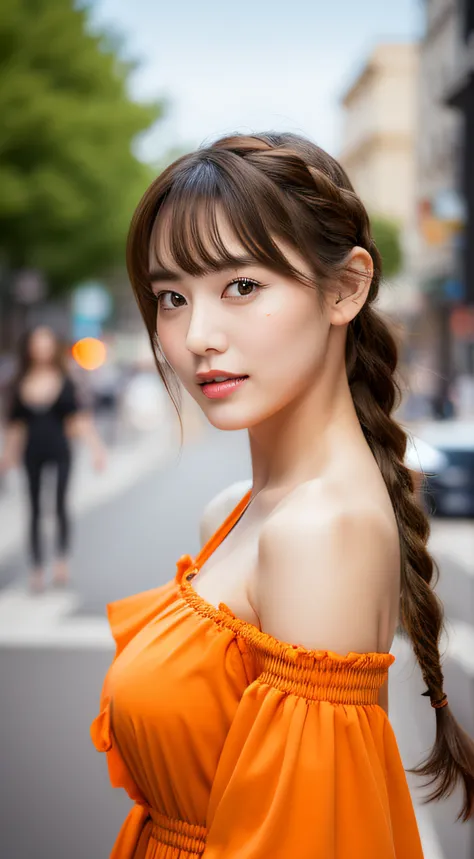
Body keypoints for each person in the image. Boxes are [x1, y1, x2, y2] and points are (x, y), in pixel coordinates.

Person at [90, 133, 474, 858]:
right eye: (171, 296)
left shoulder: (319, 532)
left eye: (242, 286)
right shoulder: (240, 508)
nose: (197, 335)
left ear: (346, 288)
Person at [0, 325, 107, 591]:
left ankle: (61, 561)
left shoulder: (66, 378)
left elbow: (79, 418)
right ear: (29, 348)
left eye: (46, 343)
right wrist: (8, 455)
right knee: (34, 507)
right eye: (37, 343)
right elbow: (15, 425)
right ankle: (37, 567)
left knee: (60, 504)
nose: (41, 349)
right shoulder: (20, 381)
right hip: (32, 450)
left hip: (61, 448)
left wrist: (96, 448)